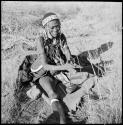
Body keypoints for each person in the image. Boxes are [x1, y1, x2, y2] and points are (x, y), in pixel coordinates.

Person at [31, 12, 111, 124]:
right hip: (45, 73)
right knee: (53, 94)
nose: (56, 29)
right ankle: (61, 120)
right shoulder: (41, 40)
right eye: (52, 27)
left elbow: (67, 53)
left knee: (91, 72)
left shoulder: (61, 36)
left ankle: (67, 85)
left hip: (59, 67)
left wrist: (70, 61)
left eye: (58, 26)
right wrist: (66, 66)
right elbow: (45, 66)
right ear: (45, 27)